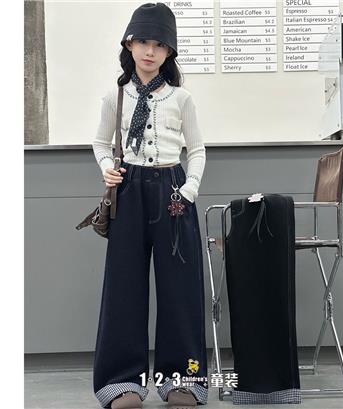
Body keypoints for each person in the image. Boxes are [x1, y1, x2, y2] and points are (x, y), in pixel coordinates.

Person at [91, 3, 208, 409]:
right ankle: (122, 382)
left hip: (173, 189)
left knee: (180, 287)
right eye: (143, 41)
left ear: (169, 52)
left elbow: (197, 149)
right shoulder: (115, 96)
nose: (150, 51)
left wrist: (189, 190)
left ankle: (182, 380)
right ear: (129, 44)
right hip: (129, 190)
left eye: (159, 44)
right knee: (124, 285)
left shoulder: (181, 98)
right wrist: (107, 169)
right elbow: (100, 142)